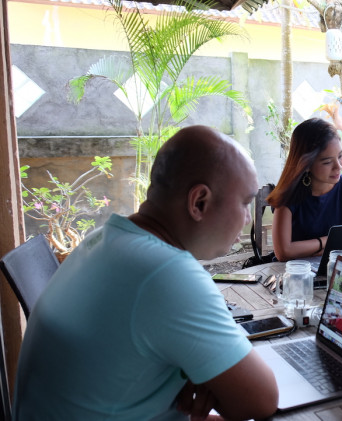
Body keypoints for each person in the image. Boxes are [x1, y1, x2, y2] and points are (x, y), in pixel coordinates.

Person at [13, 126, 279, 420]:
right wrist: (209, 377)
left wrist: (200, 372)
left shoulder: (104, 238)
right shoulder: (167, 274)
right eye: (244, 203)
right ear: (199, 202)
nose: (247, 218)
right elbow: (261, 402)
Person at [267, 118, 342, 261]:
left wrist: (309, 248)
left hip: (330, 269)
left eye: (340, 156)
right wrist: (330, 240)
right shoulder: (290, 192)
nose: (338, 166)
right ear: (306, 164)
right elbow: (283, 252)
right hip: (293, 272)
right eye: (327, 162)